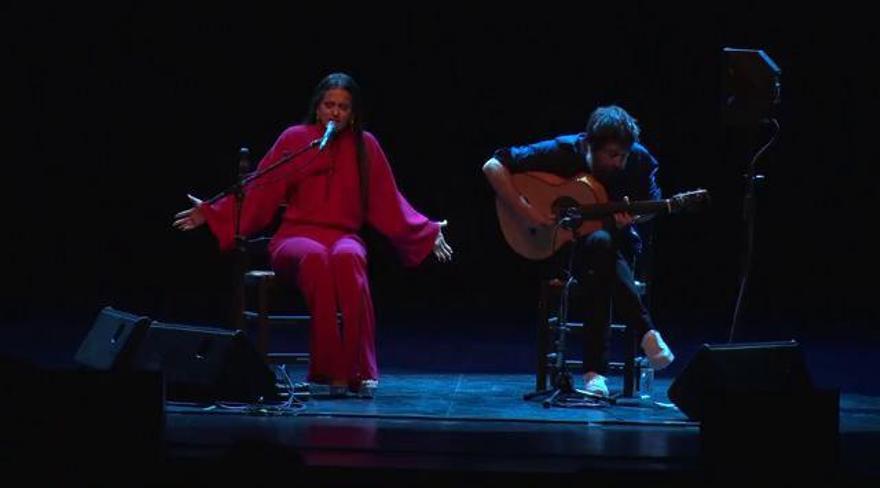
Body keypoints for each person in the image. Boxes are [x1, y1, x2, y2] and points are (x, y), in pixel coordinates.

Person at [174, 73, 453, 398]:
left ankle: (358, 372)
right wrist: (211, 212)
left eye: (343, 107)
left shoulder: (366, 146)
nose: (335, 113)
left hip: (343, 237)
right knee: (317, 257)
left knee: (349, 257)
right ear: (317, 108)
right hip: (295, 238)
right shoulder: (296, 139)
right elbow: (259, 190)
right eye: (329, 105)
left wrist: (426, 231)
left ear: (353, 114)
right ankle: (331, 372)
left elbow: (388, 201)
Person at [482, 105, 672, 397]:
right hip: (558, 250)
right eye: (611, 155)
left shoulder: (640, 161)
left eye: (624, 155)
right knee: (599, 253)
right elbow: (493, 166)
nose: (620, 163)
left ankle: (596, 372)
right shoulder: (564, 150)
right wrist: (527, 213)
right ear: (589, 145)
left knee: (601, 247)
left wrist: (633, 217)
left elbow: (652, 206)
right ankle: (643, 333)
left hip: (614, 250)